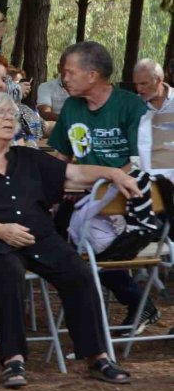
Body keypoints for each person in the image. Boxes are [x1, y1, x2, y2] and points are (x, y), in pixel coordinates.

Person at [0, 91, 135, 388]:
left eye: (11, 113)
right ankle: (13, 359)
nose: (9, 117)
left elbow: (77, 172)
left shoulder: (29, 158)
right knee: (8, 269)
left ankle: (97, 357)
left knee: (79, 273)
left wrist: (112, 173)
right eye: (0, 113)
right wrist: (1, 230)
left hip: (38, 237)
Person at [48, 41, 160, 333]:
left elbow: (139, 161)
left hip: (123, 199)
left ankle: (124, 307)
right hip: (81, 197)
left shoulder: (131, 106)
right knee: (54, 239)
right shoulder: (72, 107)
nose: (65, 78)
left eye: (70, 72)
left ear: (93, 74)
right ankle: (132, 305)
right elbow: (59, 156)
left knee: (76, 244)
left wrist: (103, 183)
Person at [8, 66, 43, 140]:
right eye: (16, 84)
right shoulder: (2, 112)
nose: (26, 85)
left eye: (23, 82)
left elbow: (45, 126)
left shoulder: (26, 109)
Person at [36, 55, 70, 123]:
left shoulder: (85, 87)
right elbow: (44, 113)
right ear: (59, 68)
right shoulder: (46, 87)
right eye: (67, 68)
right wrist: (69, 120)